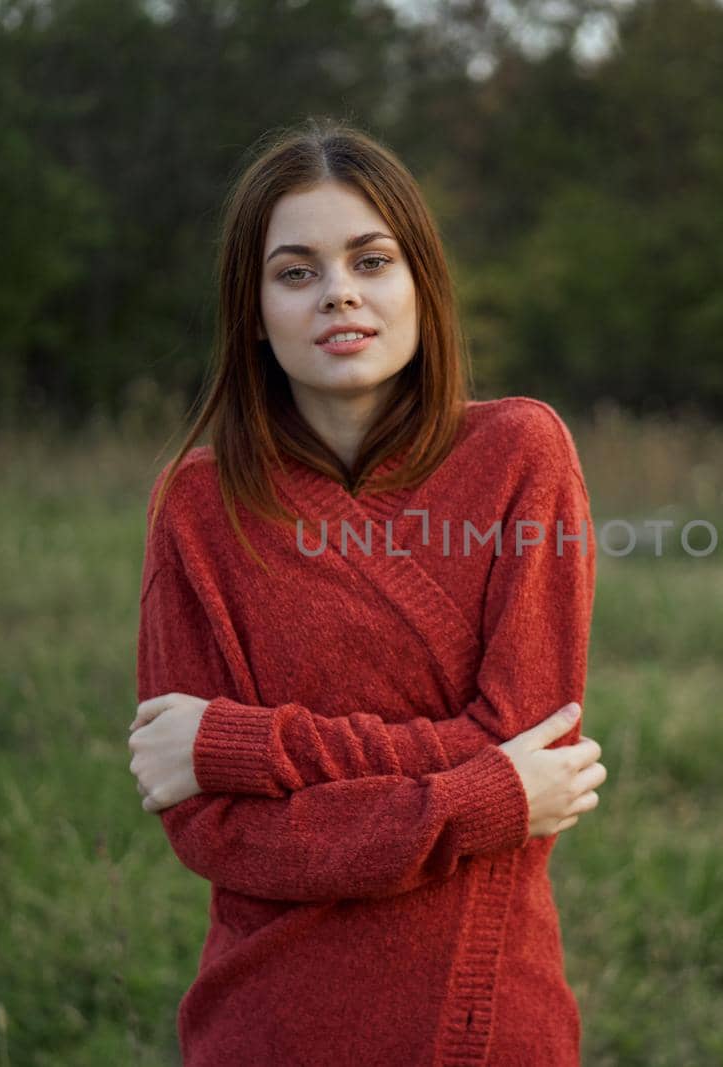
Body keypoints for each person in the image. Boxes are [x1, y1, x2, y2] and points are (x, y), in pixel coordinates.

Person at [127, 117, 605, 1066]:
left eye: (371, 260)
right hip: (266, 1022)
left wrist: (240, 741)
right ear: (253, 311)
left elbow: (532, 747)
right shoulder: (198, 508)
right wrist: (480, 793)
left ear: (421, 283)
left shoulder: (520, 455)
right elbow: (212, 826)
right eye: (296, 271)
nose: (339, 292)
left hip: (483, 1017)